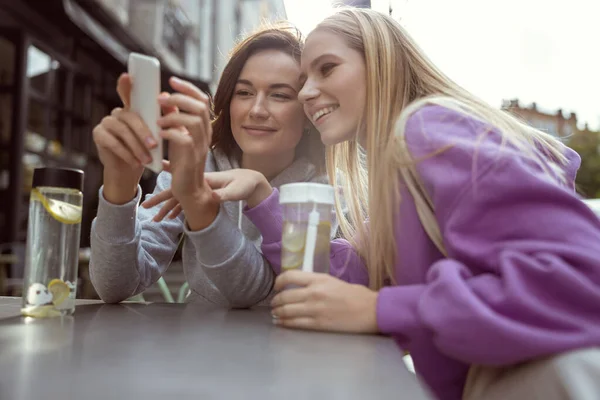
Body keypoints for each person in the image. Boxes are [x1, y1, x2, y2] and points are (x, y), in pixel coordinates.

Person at [197, 8, 600, 400]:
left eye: (327, 68)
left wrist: (381, 310)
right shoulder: (399, 168)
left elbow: (584, 276)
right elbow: (357, 276)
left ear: (380, 63)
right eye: (303, 79)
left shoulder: (428, 129)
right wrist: (262, 197)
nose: (305, 92)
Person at [88, 23, 329, 308]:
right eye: (244, 92)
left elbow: (264, 298)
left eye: (280, 95)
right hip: (194, 345)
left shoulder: (324, 189)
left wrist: (203, 207)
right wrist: (120, 187)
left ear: (307, 110)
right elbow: (114, 285)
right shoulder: (197, 166)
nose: (257, 110)